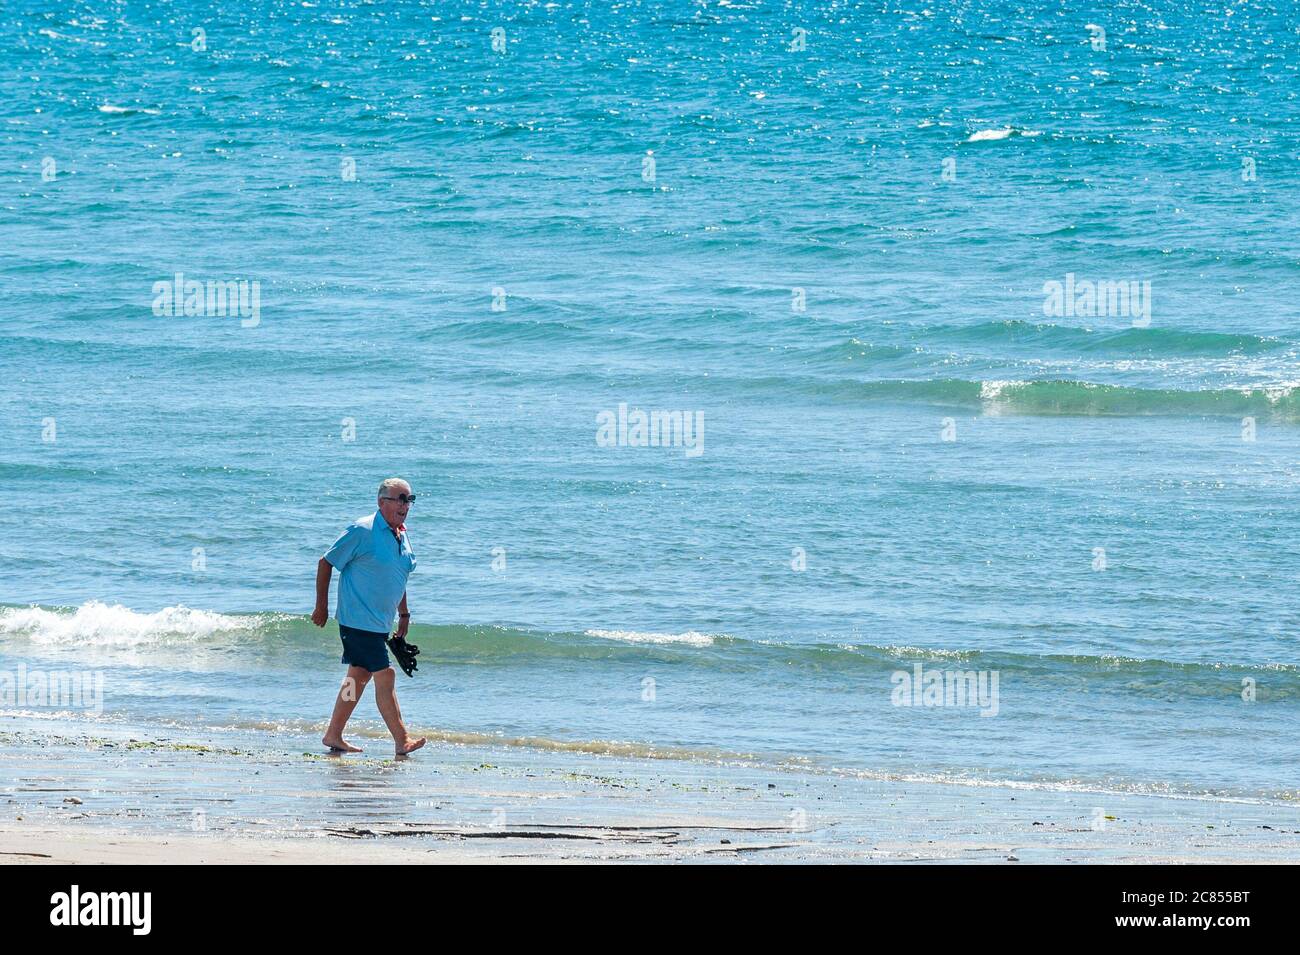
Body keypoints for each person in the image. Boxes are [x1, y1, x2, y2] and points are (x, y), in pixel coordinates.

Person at [312, 478, 426, 755]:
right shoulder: (362, 530)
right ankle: (402, 739)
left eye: (408, 499)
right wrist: (321, 607)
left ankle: (333, 734)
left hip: (379, 622)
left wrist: (404, 614)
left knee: (358, 677)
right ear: (381, 501)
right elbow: (326, 562)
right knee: (384, 675)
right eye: (399, 498)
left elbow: (397, 577)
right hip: (357, 620)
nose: (404, 505)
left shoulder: (401, 534)